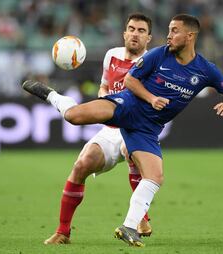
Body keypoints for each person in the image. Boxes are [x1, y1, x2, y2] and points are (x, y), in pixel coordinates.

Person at [23, 14, 223, 247]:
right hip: (128, 107)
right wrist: (151, 98)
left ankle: (129, 226)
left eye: (174, 30)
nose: (169, 35)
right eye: (168, 29)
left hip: (147, 128)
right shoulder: (158, 54)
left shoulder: (206, 69)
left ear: (190, 35)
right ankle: (52, 95)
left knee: (155, 177)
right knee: (74, 117)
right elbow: (130, 81)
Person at [42, 13, 154, 245]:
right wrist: (106, 99)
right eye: (131, 29)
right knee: (81, 165)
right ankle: (63, 232)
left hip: (138, 129)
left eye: (141, 31)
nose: (135, 34)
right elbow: (104, 87)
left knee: (128, 150)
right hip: (111, 127)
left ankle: (141, 217)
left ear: (149, 38)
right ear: (124, 33)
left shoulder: (153, 63)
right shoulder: (111, 55)